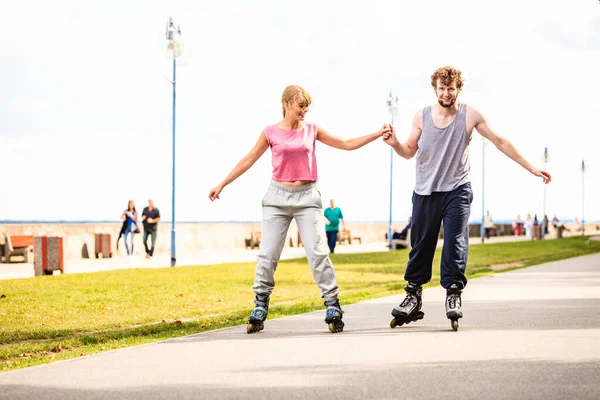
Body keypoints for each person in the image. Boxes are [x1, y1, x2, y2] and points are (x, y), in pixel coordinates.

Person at [208, 84, 390, 334]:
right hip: (276, 198)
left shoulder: (312, 131)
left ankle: (332, 303)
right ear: (286, 104)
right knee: (268, 254)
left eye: (307, 106)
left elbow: (346, 143)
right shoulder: (270, 132)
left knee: (317, 252)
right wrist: (222, 183)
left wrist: (377, 133)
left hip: (307, 198)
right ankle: (260, 304)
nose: (305, 110)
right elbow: (249, 159)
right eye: (300, 105)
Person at [382, 66, 551, 331]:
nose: (446, 93)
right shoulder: (422, 117)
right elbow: (408, 151)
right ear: (435, 89)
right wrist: (395, 144)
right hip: (425, 191)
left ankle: (453, 293)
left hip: (457, 189)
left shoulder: (470, 115)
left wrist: (531, 167)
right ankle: (413, 296)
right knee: (421, 245)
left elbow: (500, 141)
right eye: (442, 88)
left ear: (458, 89)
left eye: (451, 88)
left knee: (455, 241)